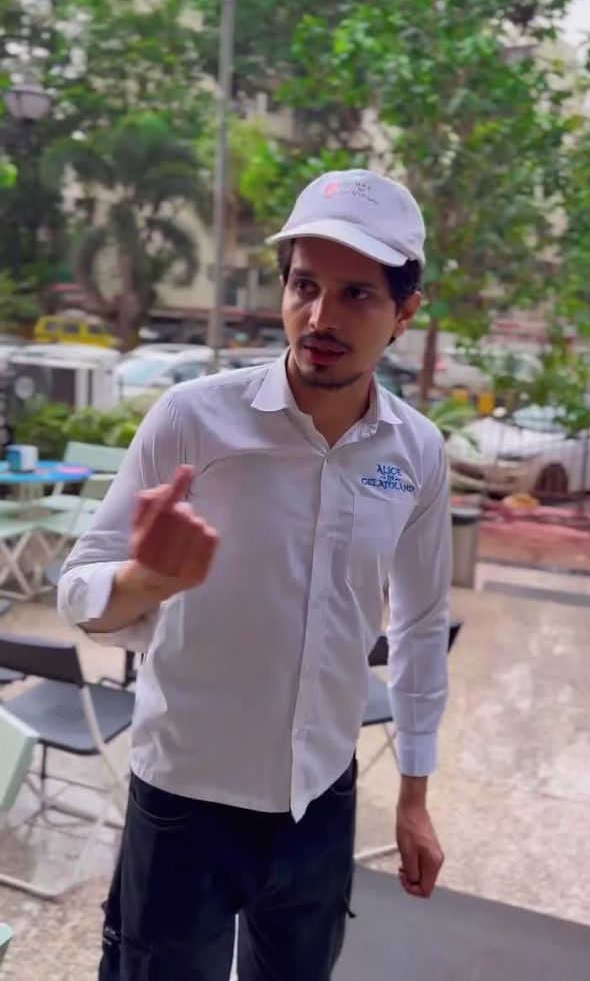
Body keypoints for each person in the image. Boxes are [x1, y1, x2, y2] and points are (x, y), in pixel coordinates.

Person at [58, 168, 452, 981]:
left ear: (405, 312)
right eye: (305, 286)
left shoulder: (417, 452)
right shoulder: (194, 418)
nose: (321, 317)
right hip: (185, 799)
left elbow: (419, 627)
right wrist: (146, 580)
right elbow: (79, 589)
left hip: (321, 800)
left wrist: (414, 796)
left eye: (357, 295)